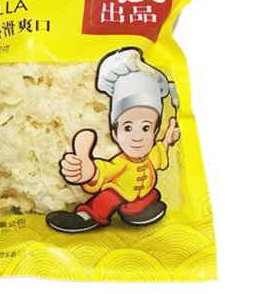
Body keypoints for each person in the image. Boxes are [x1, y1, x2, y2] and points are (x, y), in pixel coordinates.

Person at [46, 47, 180, 233]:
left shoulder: (150, 154)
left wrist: (167, 139)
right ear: (115, 134)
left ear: (155, 130)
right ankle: (86, 217)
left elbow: (160, 152)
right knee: (106, 199)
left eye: (146, 128)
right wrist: (90, 173)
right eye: (128, 128)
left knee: (151, 194)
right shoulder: (120, 163)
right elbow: (104, 171)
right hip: (119, 191)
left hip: (142, 192)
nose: (137, 137)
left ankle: (138, 211)